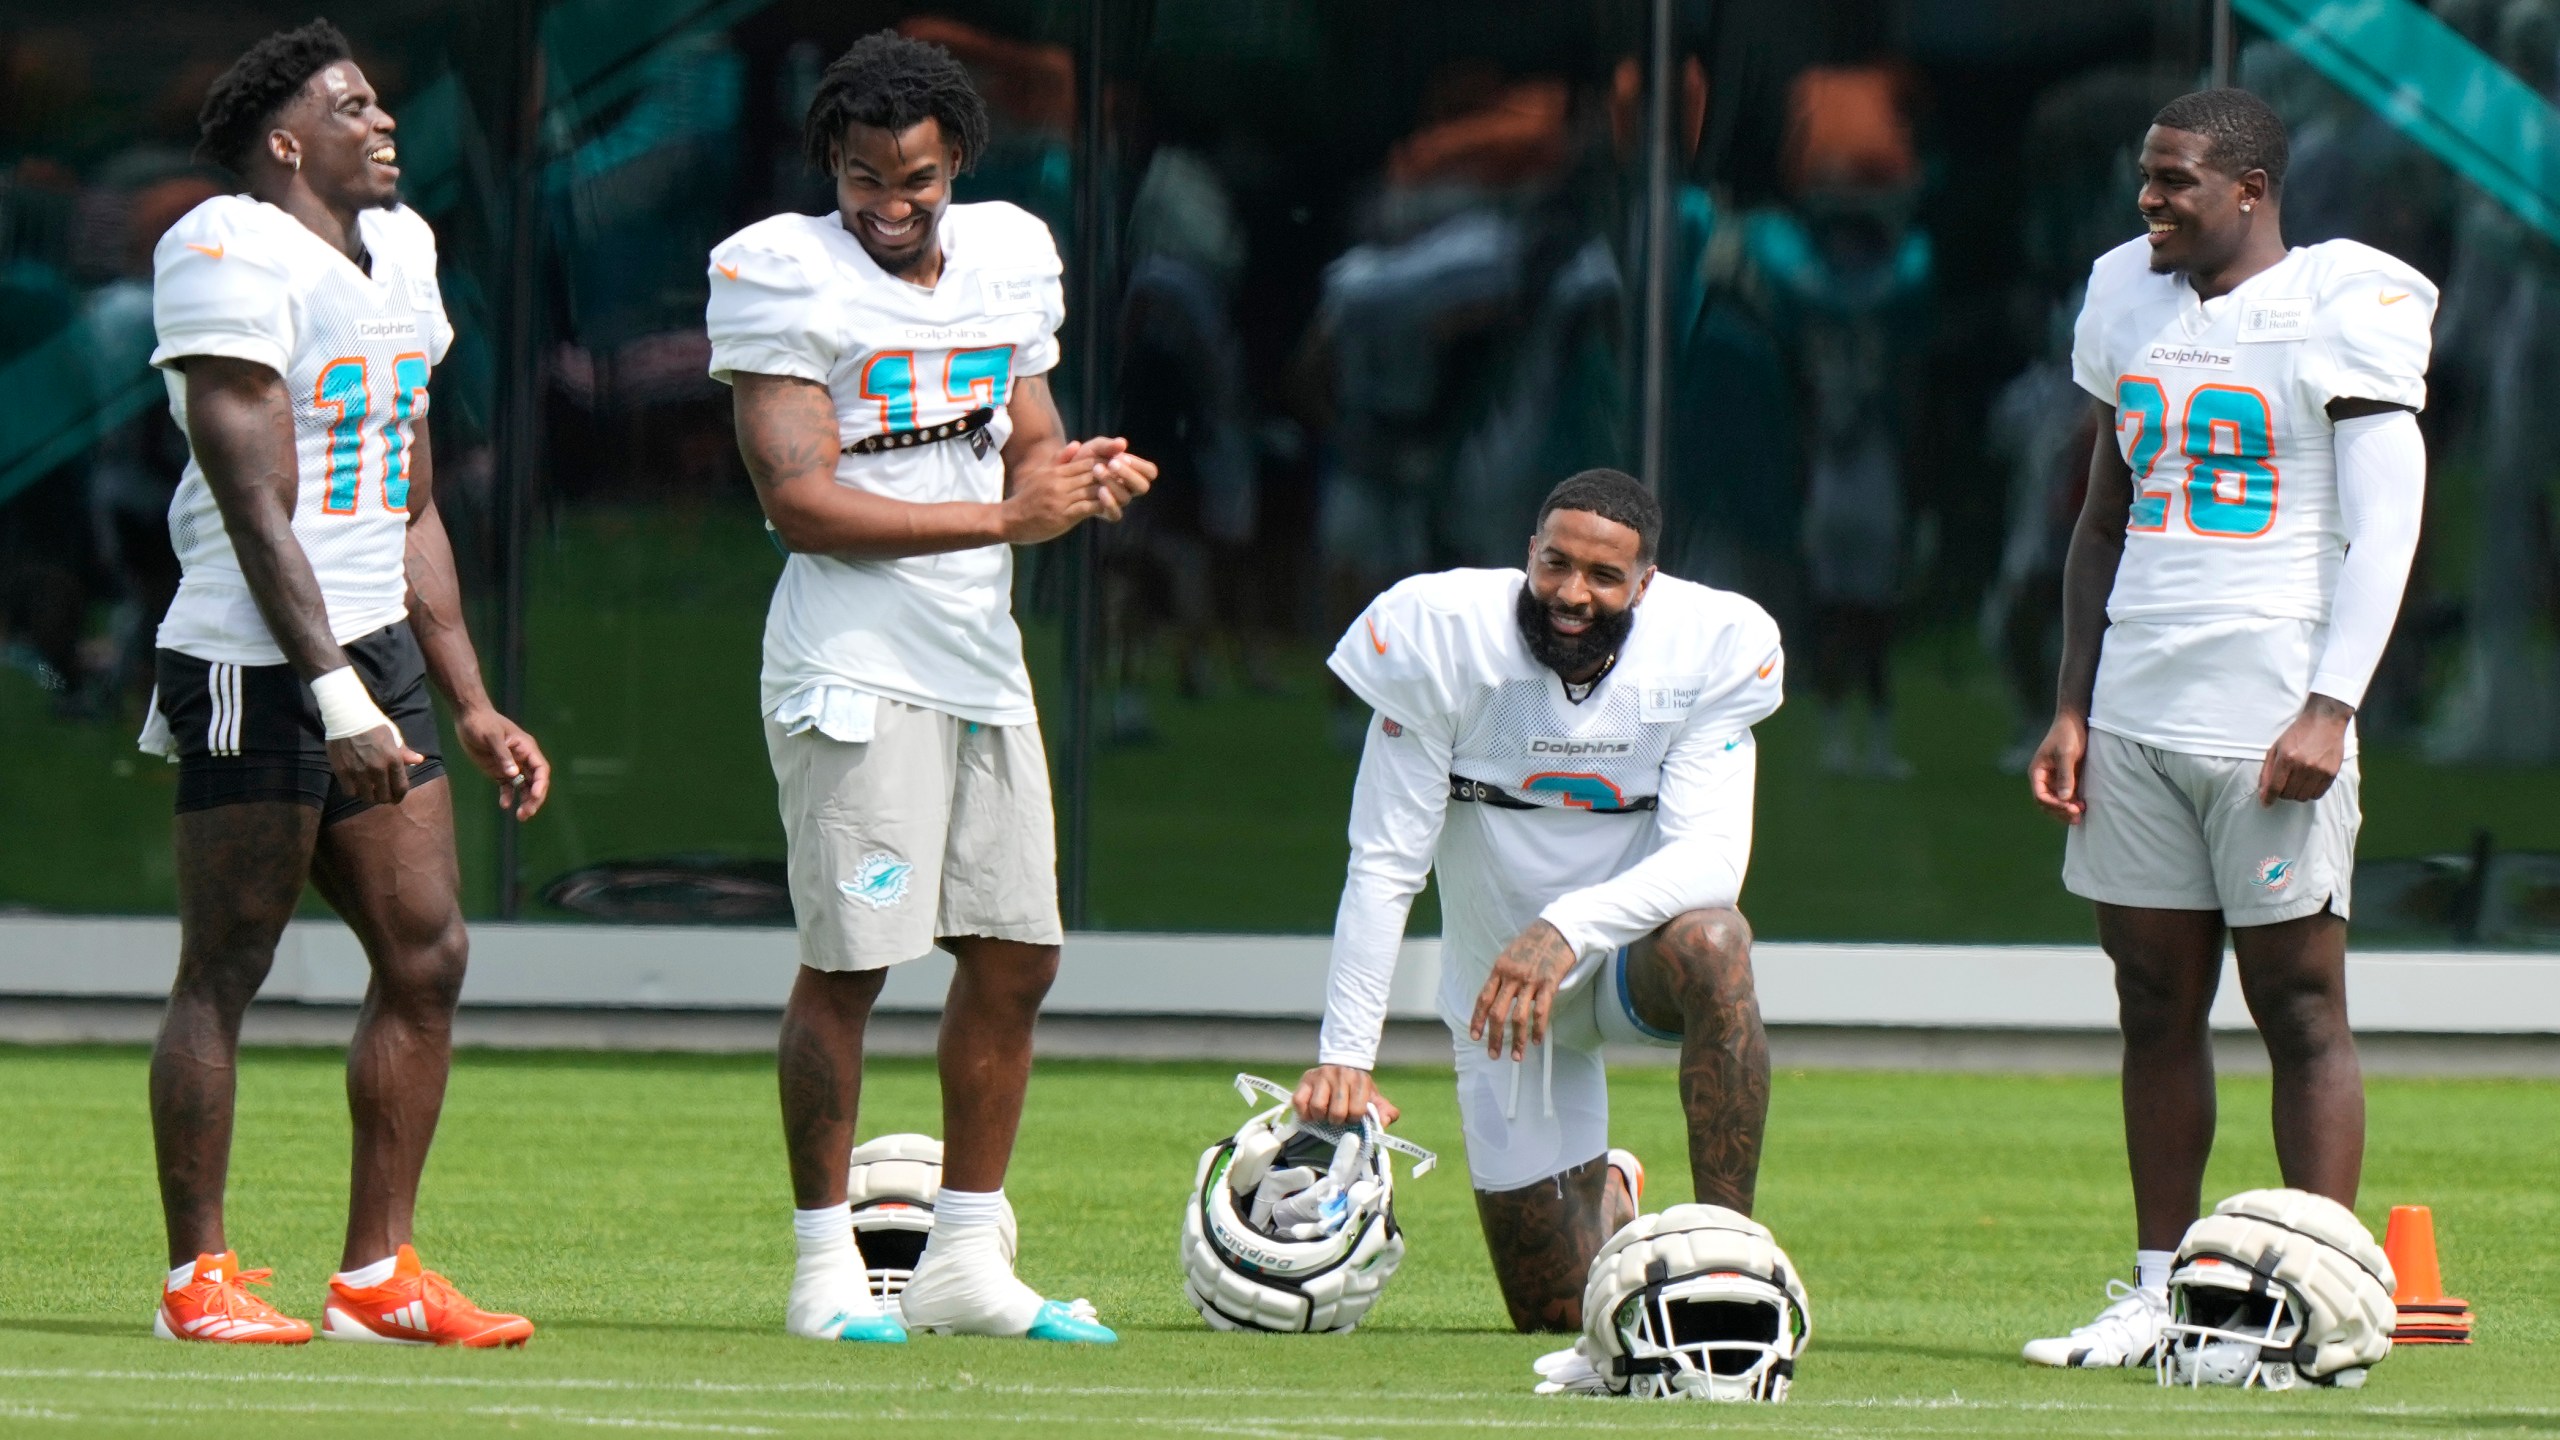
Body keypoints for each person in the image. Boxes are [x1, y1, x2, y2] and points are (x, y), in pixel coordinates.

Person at [704, 30, 1152, 1346]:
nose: (889, 208)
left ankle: (964, 1255)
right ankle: (823, 1269)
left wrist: (1079, 477)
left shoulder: (1009, 250)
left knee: (1017, 953)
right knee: (852, 962)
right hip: (855, 666)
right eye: (861, 180)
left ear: (956, 158)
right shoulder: (777, 273)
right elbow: (799, 504)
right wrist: (1007, 526)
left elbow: (1027, 434)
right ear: (828, 169)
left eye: (912, 181)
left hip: (976, 661)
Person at [139, 19, 550, 1346]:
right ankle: (195, 1281)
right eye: (354, 107)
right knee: (229, 962)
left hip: (370, 640)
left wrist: (468, 697)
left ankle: (376, 1277)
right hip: (254, 653)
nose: (384, 125)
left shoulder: (409, 249)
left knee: (427, 951)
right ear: (284, 141)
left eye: (381, 105)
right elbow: (259, 510)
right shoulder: (222, 248)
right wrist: (336, 700)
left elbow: (410, 499)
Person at [2024, 88, 2433, 1367]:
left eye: (2175, 180)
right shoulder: (2123, 294)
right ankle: (2161, 1287)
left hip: (2269, 705)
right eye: (2145, 176)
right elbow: (2103, 516)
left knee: (2296, 1006)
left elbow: (2391, 523)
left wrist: (2331, 703)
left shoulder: (2341, 300)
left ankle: (2314, 1296)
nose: (2149, 199)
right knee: (2152, 1000)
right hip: (2139, 702)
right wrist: (2072, 702)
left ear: (2249, 190)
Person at [1293, 468, 1783, 1343]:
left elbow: (1711, 861)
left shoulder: (1714, 641)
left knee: (1716, 941)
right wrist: (1346, 1058)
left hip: (1630, 970)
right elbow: (1385, 863)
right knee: (1553, 1314)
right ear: (1528, 553)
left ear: (1645, 584)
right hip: (1501, 1001)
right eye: (1555, 565)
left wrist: (1568, 927)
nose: (1571, 594)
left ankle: (1728, 1255)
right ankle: (1612, 1189)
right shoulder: (1439, 634)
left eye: (1603, 577)